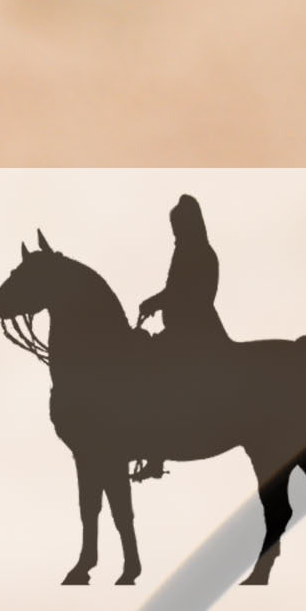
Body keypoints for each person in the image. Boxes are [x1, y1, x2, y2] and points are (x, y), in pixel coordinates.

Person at [126, 194, 226, 480]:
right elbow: (175, 290)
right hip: (182, 330)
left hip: (196, 332)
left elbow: (193, 295)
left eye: (178, 229)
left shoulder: (202, 255)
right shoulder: (185, 252)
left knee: (154, 375)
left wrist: (157, 302)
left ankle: (156, 454)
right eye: (174, 230)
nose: (175, 235)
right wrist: (158, 301)